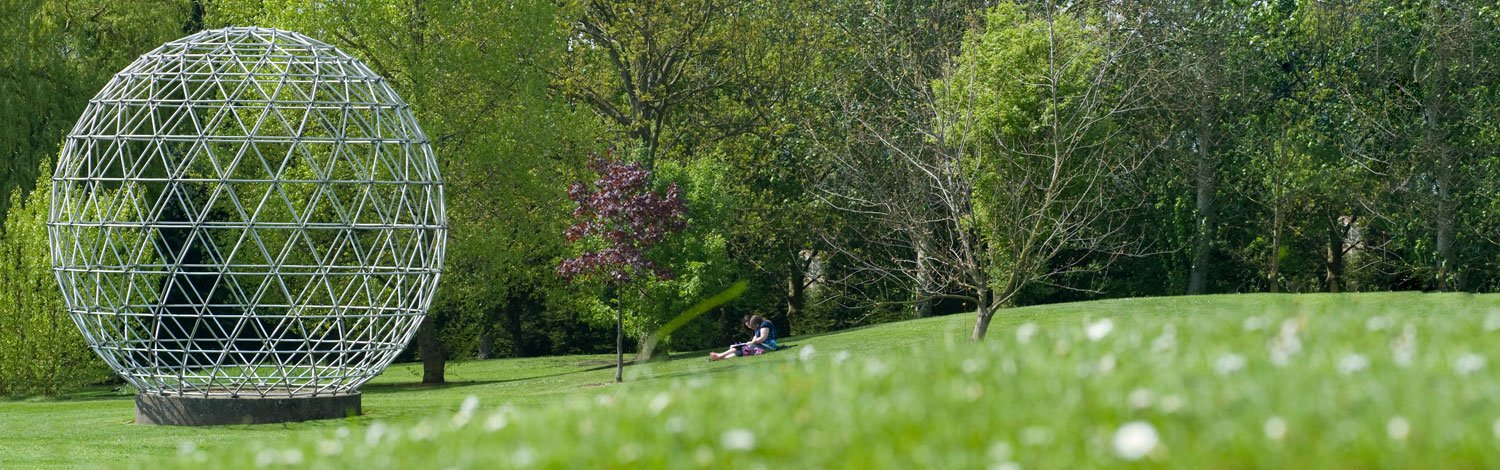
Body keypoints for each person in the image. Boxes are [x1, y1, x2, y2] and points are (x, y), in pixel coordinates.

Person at [709, 314, 779, 361]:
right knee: (741, 349)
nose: (750, 327)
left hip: (768, 346)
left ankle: (720, 356)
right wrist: (752, 342)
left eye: (750, 325)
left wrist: (752, 342)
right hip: (763, 346)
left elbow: (763, 338)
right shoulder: (759, 327)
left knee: (742, 348)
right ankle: (721, 357)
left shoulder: (765, 324)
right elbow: (755, 338)